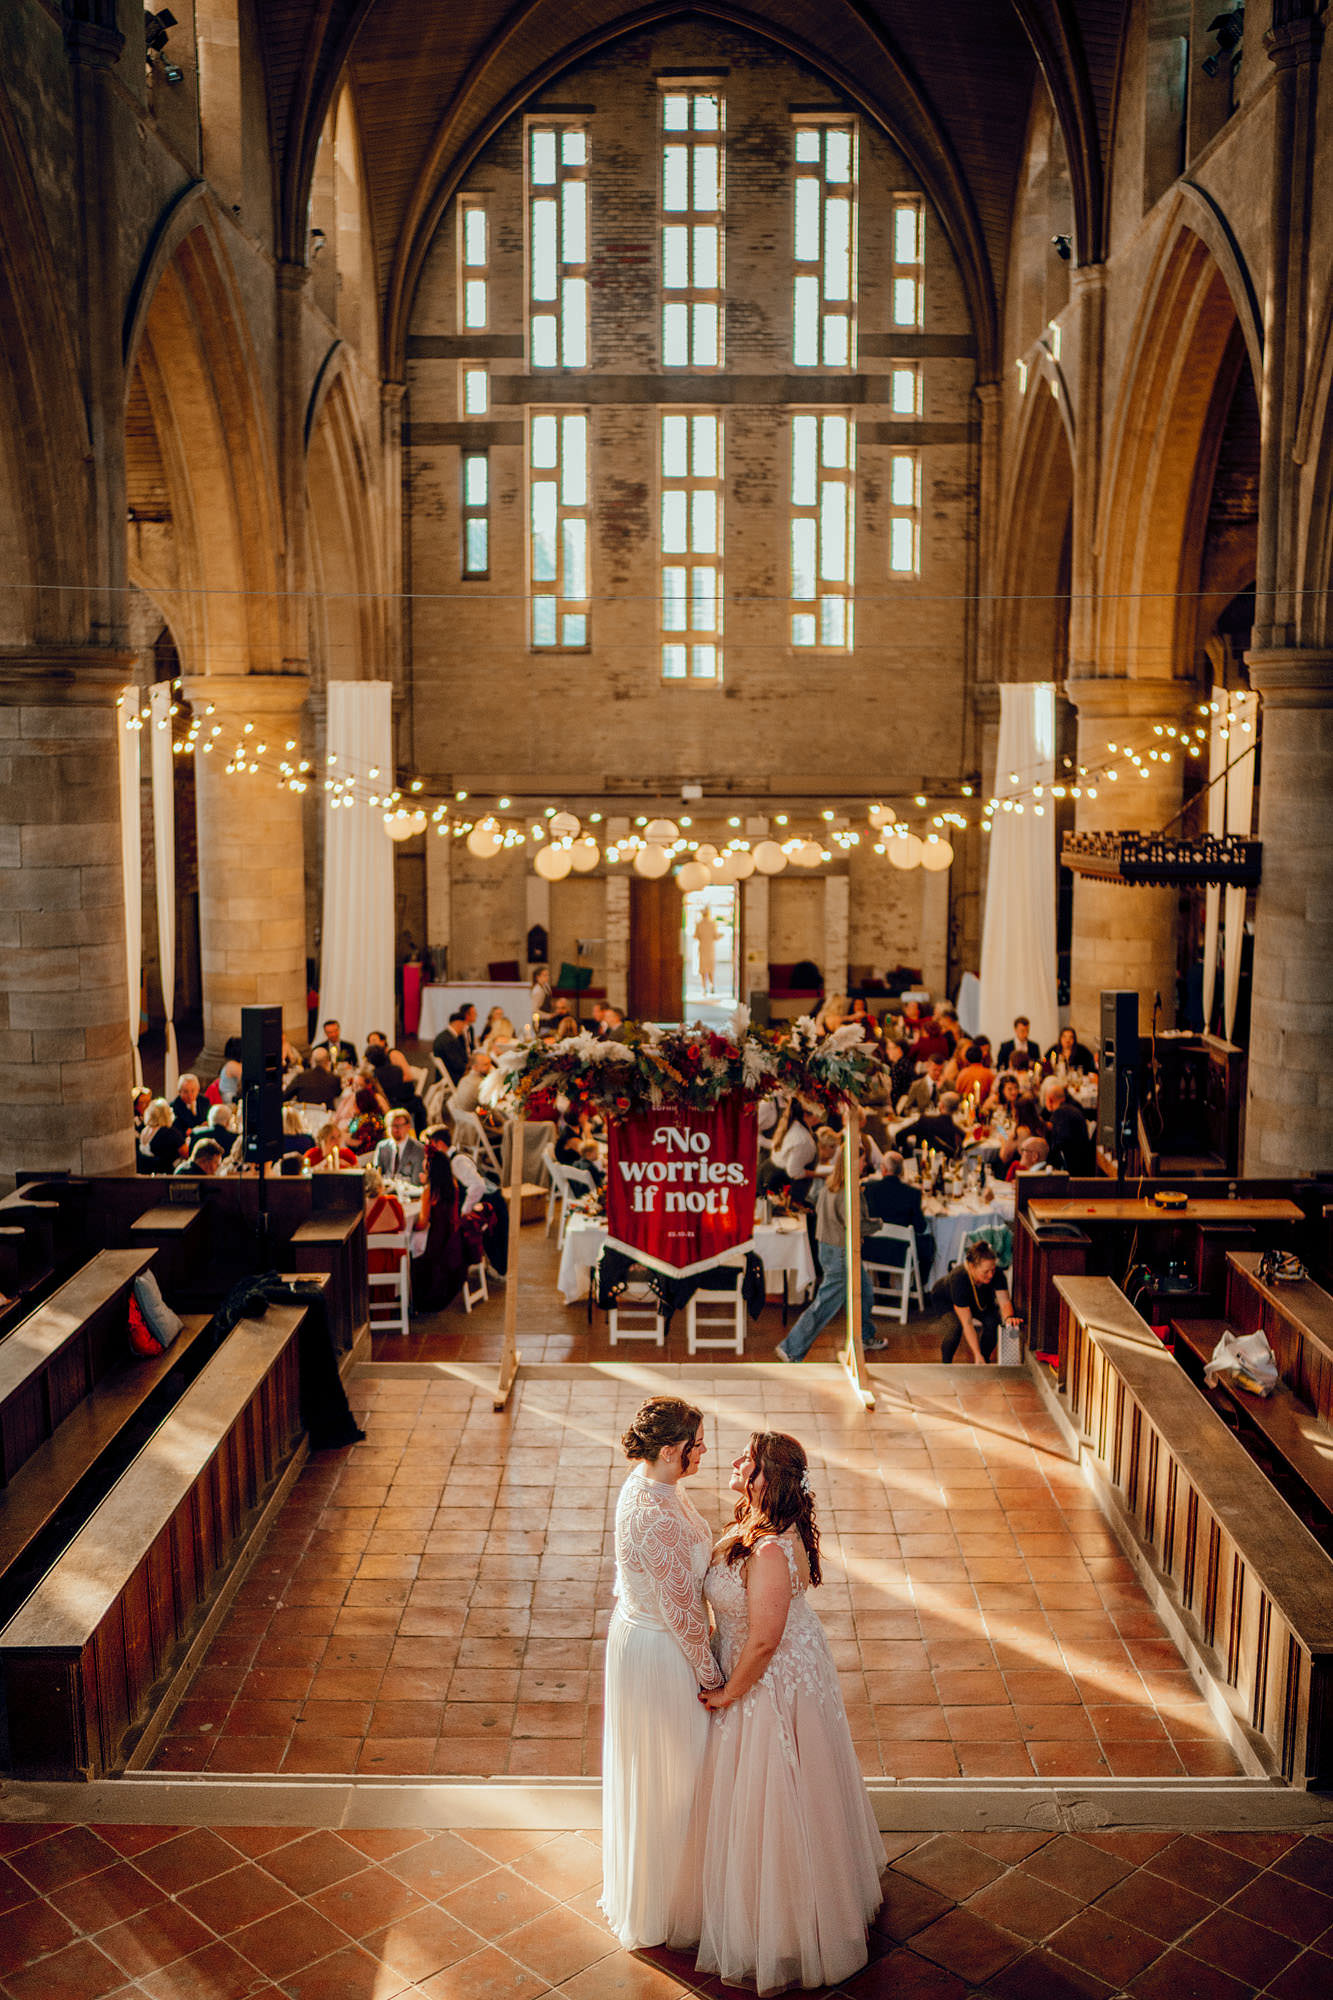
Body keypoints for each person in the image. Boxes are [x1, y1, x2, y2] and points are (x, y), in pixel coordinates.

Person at [667, 1432, 884, 1993]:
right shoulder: (755, 1521)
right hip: (776, 1660)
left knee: (775, 1800)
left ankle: (784, 1923)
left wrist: (726, 1693)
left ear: (771, 1480)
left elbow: (763, 1643)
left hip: (770, 1682)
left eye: (750, 1460)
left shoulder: (768, 1550)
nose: (737, 1462)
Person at [601, 1397, 721, 1950]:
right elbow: (683, 1614)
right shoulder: (654, 1515)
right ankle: (674, 1902)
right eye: (697, 1445)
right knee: (677, 1774)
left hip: (643, 1633)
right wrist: (713, 1677)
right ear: (671, 1452)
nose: (704, 1451)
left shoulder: (652, 1483)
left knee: (667, 1771)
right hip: (661, 1651)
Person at [775, 1141, 886, 1362]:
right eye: (863, 1160)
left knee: (864, 1292)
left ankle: (865, 1335)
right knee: (824, 1304)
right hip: (841, 1252)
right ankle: (790, 1348)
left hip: (827, 1247)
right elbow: (857, 1224)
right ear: (855, 1162)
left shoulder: (829, 1184)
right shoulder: (849, 1190)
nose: (865, 1164)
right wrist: (879, 1223)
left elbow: (821, 1210)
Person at [412, 1127, 487, 1310]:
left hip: (433, 1244)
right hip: (449, 1240)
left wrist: (411, 1225)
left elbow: (423, 1223)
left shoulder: (429, 1192)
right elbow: (454, 1217)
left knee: (409, 1248)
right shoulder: (452, 1186)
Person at [942, 1240, 1020, 1363]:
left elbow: (1004, 1302)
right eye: (986, 1272)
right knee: (954, 1328)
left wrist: (1009, 1317)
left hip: (979, 1301)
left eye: (992, 1270)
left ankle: (984, 1358)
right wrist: (976, 1354)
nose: (990, 1275)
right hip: (946, 1301)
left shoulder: (997, 1274)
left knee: (993, 1322)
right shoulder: (958, 1277)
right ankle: (945, 1364)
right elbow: (967, 1322)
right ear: (972, 1267)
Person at [862, 1150, 932, 1283]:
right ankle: (919, 1288)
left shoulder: (869, 1189)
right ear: (901, 1171)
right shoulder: (912, 1193)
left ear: (883, 1169)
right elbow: (920, 1227)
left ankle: (884, 1284)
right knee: (928, 1242)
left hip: (871, 1251)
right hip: (900, 1255)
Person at [1043, 1079, 1095, 1173]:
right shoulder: (1072, 1109)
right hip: (1085, 1163)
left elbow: (1059, 1145)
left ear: (1050, 1100)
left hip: (1075, 1170)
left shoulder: (1060, 1113)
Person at [896, 1090, 964, 1159]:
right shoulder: (959, 1132)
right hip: (946, 1166)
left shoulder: (924, 1121)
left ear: (941, 1106)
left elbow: (899, 1135)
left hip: (922, 1163)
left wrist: (908, 1155)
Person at [375, 1108, 426, 1185]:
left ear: (408, 1126)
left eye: (399, 1126)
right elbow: (377, 1176)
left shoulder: (418, 1149)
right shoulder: (382, 1147)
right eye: (393, 1126)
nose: (396, 1129)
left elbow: (417, 1181)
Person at [140, 1097, 185, 1173]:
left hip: (148, 1172)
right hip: (167, 1174)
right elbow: (185, 1153)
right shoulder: (170, 1133)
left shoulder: (144, 1131)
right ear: (167, 1114)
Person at [432, 1010, 471, 1084]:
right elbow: (456, 1064)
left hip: (449, 1073)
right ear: (457, 1023)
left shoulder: (446, 1036)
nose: (464, 1027)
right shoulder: (448, 1040)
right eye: (464, 1024)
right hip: (452, 1076)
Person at [693, 906, 720, 994]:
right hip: (710, 949)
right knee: (710, 969)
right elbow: (716, 936)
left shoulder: (699, 924)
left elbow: (696, 936)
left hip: (702, 949)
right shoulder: (712, 924)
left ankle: (704, 988)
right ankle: (712, 985)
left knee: (703, 970)